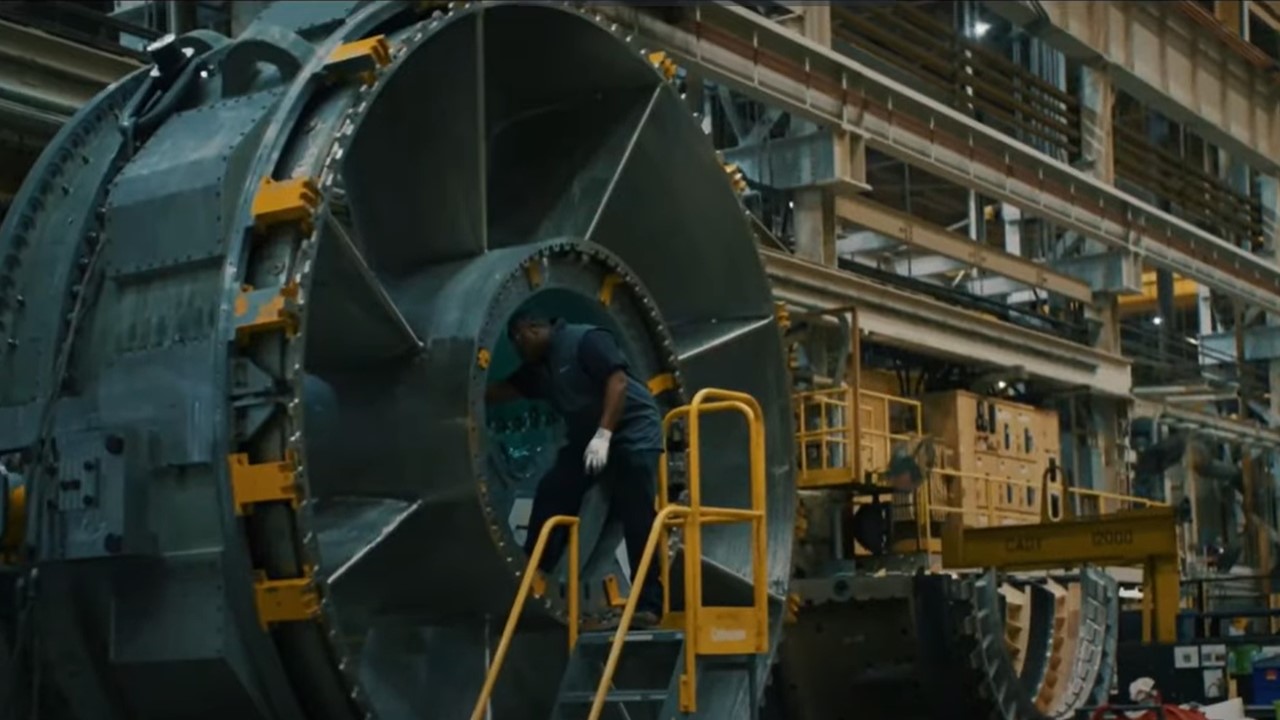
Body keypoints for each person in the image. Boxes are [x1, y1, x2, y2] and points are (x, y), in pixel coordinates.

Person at [486, 312, 665, 629]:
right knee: (553, 492)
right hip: (588, 439)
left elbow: (618, 382)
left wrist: (604, 435)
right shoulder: (539, 370)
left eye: (518, 340)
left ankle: (648, 604)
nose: (517, 349)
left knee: (636, 512)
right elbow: (502, 391)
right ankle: (535, 580)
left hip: (631, 433)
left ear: (534, 327)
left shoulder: (584, 339)